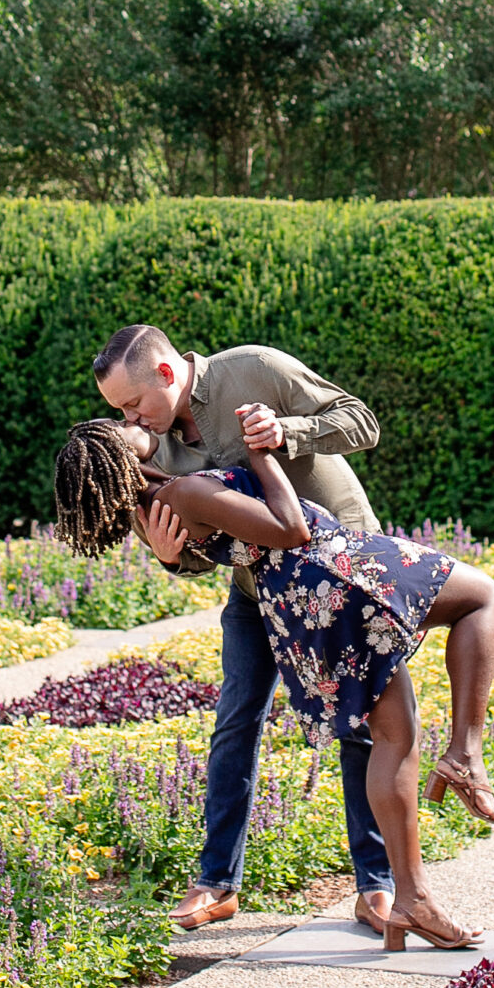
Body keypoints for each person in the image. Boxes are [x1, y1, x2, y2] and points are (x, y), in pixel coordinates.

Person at [52, 416, 494, 952]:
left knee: (395, 737)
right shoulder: (185, 490)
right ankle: (462, 759)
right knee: (481, 597)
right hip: (335, 572)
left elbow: (220, 539)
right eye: (120, 426)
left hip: (307, 600)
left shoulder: (161, 507)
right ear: (120, 457)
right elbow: (291, 527)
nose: (131, 421)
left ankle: (411, 897)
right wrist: (260, 455)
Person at [92, 325, 392, 932]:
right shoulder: (148, 449)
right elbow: (208, 547)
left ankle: (376, 887)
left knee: (358, 722)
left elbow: (362, 421)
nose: (131, 420)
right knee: (235, 722)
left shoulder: (254, 370)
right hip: (256, 590)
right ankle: (216, 884)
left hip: (338, 573)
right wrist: (172, 557)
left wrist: (291, 432)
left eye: (133, 404)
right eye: (118, 411)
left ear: (167, 374)